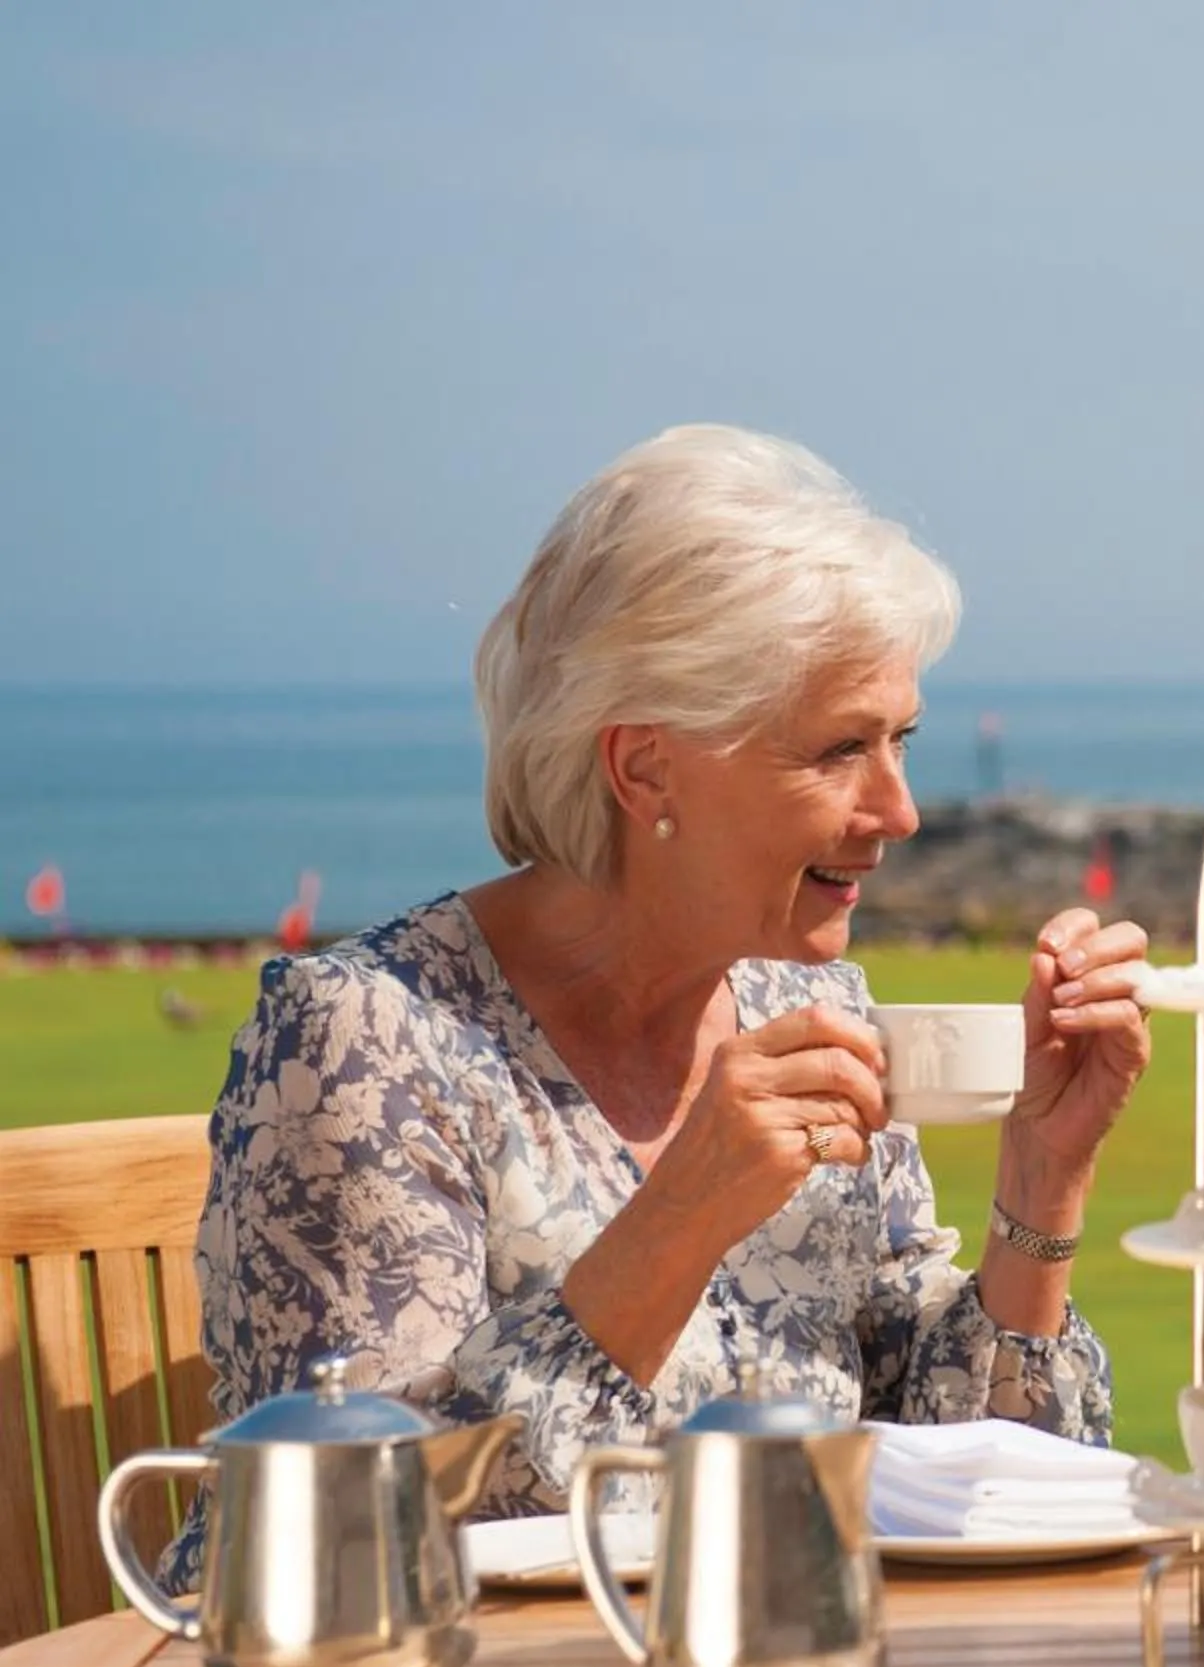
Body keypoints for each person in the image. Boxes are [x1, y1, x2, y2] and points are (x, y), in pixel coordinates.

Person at [170, 425, 1151, 1586]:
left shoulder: (808, 1000)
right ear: (643, 769)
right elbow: (351, 1544)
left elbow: (960, 1469)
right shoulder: (367, 1041)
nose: (899, 810)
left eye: (902, 741)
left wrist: (1042, 1178)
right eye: (840, 749)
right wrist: (681, 1212)